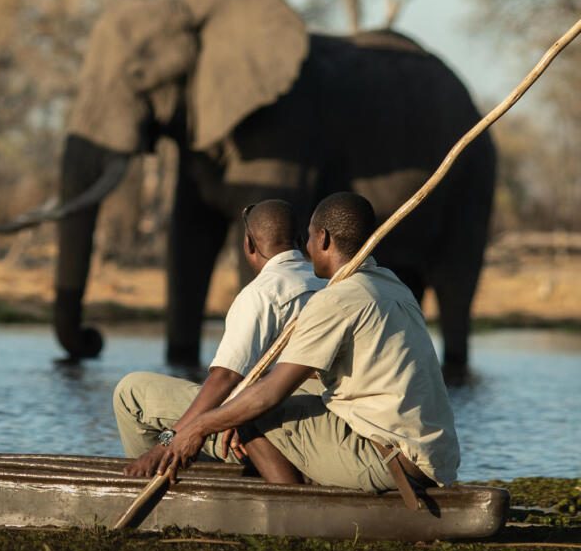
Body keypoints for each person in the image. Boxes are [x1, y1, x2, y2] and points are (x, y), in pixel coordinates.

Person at [153, 192, 459, 505]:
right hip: (433, 459)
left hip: (387, 460)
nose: (307, 249)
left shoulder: (336, 298)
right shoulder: (392, 284)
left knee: (248, 413)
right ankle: (305, 480)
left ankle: (292, 510)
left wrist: (198, 427)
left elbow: (269, 394)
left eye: (310, 238)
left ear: (323, 239)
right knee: (252, 404)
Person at [114, 199, 326, 477]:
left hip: (279, 419)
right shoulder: (329, 283)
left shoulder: (262, 293)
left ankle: (154, 478)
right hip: (319, 423)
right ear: (299, 240)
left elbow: (223, 380)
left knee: (131, 393)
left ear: (249, 245)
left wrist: (166, 443)